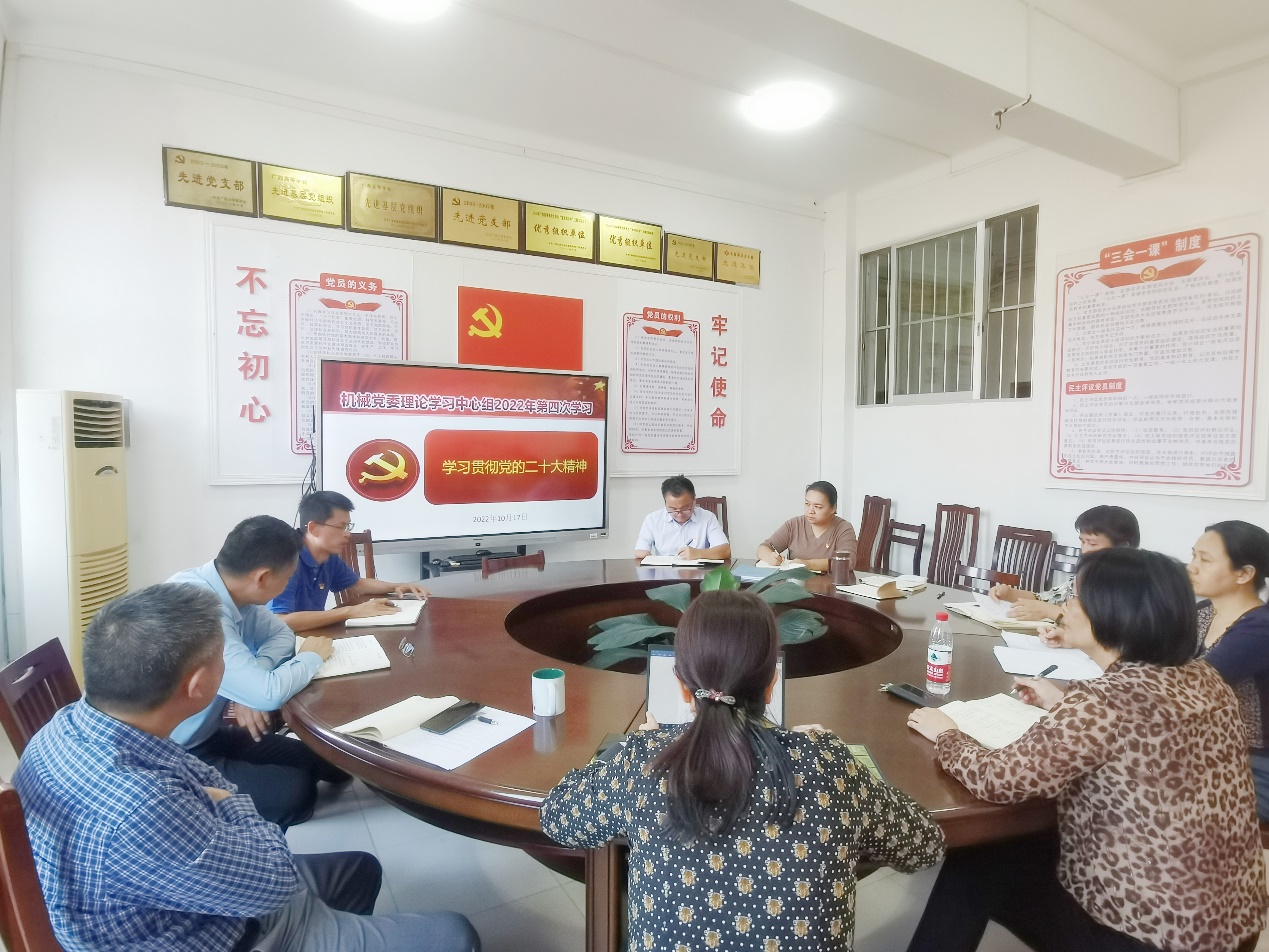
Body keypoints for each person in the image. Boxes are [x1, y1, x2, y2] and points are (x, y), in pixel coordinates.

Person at [14, 583, 479, 952]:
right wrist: (229, 802)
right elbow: (274, 879)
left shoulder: (66, 725)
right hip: (217, 931)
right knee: (455, 934)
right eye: (226, 657)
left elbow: (200, 782)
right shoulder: (143, 806)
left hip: (162, 901)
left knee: (359, 870)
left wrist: (212, 800)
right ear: (200, 685)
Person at [540, 590, 944, 951]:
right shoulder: (830, 766)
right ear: (771, 684)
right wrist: (821, 754)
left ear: (682, 686)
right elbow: (925, 845)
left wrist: (629, 747)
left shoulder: (643, 762)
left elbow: (557, 817)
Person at [907, 548, 1266, 952]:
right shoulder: (1207, 677)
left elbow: (998, 780)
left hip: (1152, 936)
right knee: (1022, 846)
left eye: (1077, 597)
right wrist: (1063, 703)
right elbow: (1148, 732)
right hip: (1234, 922)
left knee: (979, 861)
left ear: (1112, 613)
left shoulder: (1103, 703)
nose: (1066, 607)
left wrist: (947, 734)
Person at [169, 515, 347, 828]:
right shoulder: (199, 609)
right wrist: (310, 657)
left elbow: (282, 635)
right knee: (296, 793)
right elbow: (268, 693)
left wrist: (249, 684)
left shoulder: (234, 593)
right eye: (288, 578)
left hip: (208, 734)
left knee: (330, 760)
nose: (288, 584)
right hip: (174, 753)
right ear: (263, 577)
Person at [1190, 520, 1269, 820]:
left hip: (1255, 767)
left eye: (1205, 560)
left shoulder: (1260, 628)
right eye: (1193, 556)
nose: (1192, 567)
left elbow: (1185, 687)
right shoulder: (1202, 613)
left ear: (1244, 574)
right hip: (1209, 752)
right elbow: (1154, 665)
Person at [270, 490, 430, 633]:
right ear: (313, 528)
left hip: (313, 635)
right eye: (341, 527)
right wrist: (351, 611)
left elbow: (358, 584)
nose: (348, 534)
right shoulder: (286, 559)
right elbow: (279, 621)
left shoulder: (328, 557)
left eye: (348, 527)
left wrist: (396, 587)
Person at [991, 504, 1140, 622]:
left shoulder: (1131, 583)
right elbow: (1045, 599)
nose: (1085, 550)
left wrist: (1053, 612)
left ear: (1122, 547)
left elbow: (1104, 628)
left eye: (1093, 544)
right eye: (1083, 542)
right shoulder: (1086, 575)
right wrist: (1010, 593)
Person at [756, 480, 857, 573]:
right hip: (795, 583)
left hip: (829, 584)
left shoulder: (844, 529)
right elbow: (762, 548)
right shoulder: (794, 524)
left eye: (818, 507)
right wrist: (769, 557)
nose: (810, 511)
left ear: (833, 508)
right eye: (807, 504)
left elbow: (848, 562)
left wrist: (808, 564)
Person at [633, 474, 731, 561]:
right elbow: (640, 551)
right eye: (673, 509)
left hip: (699, 574)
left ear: (694, 500)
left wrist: (698, 553)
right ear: (665, 503)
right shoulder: (652, 520)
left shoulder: (708, 518)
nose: (679, 514)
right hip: (665, 574)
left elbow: (725, 551)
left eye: (685, 508)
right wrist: (648, 558)